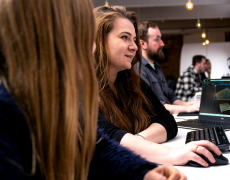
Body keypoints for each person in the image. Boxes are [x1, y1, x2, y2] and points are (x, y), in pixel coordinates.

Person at [0, 0, 185, 180]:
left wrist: (143, 172)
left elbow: (95, 147)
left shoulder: (42, 93)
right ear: (51, 36)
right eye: (83, 34)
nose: (93, 48)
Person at [94, 5, 222, 167]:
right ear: (99, 40)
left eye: (134, 39)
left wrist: (139, 140)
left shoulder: (133, 83)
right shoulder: (80, 88)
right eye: (125, 37)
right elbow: (105, 136)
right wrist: (172, 154)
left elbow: (167, 121)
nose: (134, 46)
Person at [137, 21, 200, 114]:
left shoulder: (156, 67)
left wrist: (189, 105)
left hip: (168, 116)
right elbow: (154, 107)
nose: (162, 44)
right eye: (157, 39)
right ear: (142, 44)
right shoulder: (138, 69)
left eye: (160, 38)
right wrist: (187, 109)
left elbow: (171, 96)